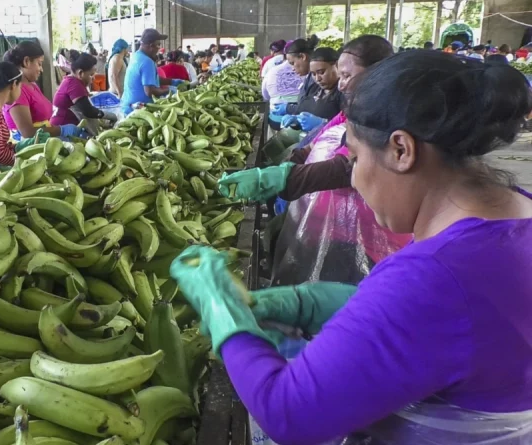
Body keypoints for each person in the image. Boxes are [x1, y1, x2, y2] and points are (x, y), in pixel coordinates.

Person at [173, 49, 532, 445]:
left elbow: (288, 414)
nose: (355, 180)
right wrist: (328, 304)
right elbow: (462, 327)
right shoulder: (516, 211)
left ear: (401, 150)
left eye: (356, 158)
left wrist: (223, 312)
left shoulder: (435, 276)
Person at [225, 35, 411, 286]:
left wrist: (286, 178)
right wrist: (290, 162)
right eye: (340, 75)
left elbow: (347, 167)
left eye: (347, 76)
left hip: (365, 237)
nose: (342, 85)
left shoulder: (388, 117)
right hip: (328, 226)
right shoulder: (352, 110)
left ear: (377, 73)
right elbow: (317, 140)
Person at [2, 41, 86, 141]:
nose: (41, 69)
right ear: (26, 61)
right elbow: (28, 133)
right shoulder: (17, 91)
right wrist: (61, 130)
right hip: (30, 146)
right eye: (39, 63)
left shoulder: (32, 85)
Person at [120, 29, 184, 116]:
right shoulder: (147, 62)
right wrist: (169, 90)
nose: (159, 48)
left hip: (127, 106)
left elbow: (152, 79)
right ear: (151, 46)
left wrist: (172, 81)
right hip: (138, 111)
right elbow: (150, 91)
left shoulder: (136, 56)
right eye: (158, 45)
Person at [278, 47, 343, 132]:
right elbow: (305, 110)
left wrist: (324, 123)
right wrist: (297, 121)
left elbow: (350, 128)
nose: (317, 79)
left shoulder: (344, 92)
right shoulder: (315, 88)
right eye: (313, 74)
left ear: (337, 66)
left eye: (321, 72)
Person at [51, 52, 114, 126]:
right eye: (91, 75)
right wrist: (110, 116)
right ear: (80, 73)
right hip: (63, 127)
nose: (93, 78)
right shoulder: (74, 84)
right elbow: (88, 111)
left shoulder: (70, 80)